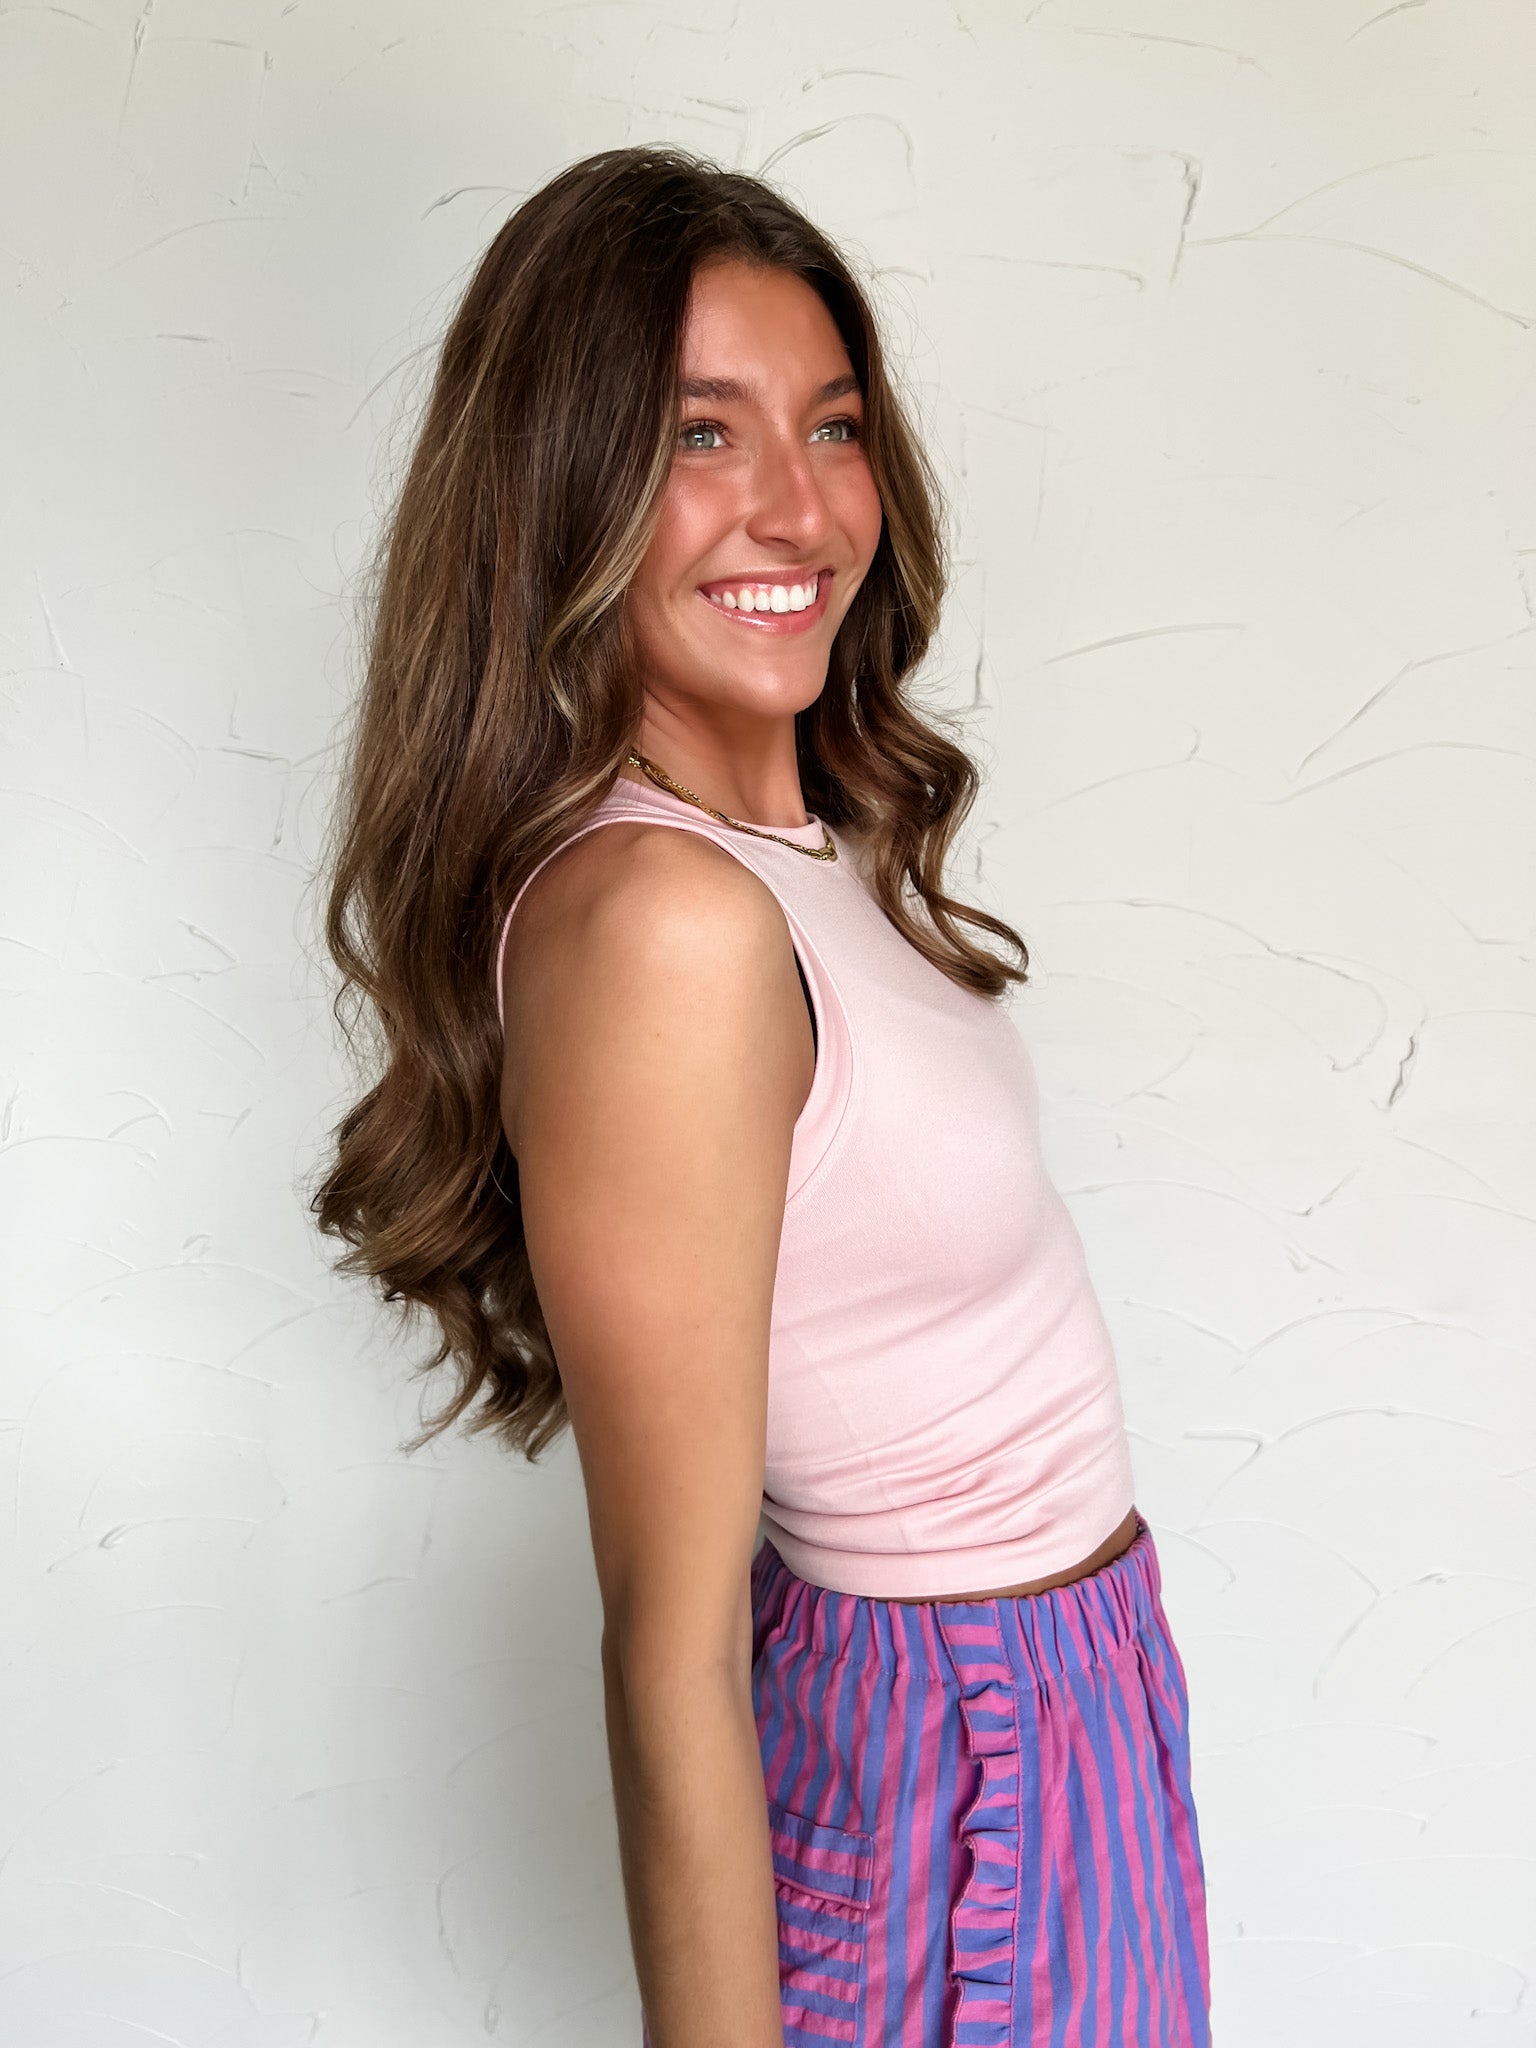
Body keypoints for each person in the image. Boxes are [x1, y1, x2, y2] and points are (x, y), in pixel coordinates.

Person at [313, 145, 1212, 2048]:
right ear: (565, 487)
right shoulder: (666, 926)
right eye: (701, 436)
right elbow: (671, 1653)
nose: (798, 505)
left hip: (1063, 1708)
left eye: (832, 424)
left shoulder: (803, 846)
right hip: (960, 1760)